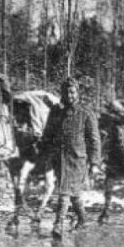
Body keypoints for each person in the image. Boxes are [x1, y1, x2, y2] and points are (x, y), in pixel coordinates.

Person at [41, 78, 101, 238]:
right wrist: (45, 154)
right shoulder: (55, 111)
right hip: (60, 158)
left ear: (77, 93)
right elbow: (47, 134)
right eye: (66, 92)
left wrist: (95, 162)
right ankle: (82, 219)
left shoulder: (86, 112)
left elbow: (94, 139)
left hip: (78, 159)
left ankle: (58, 224)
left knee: (64, 191)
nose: (69, 95)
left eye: (73, 92)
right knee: (73, 193)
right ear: (62, 93)